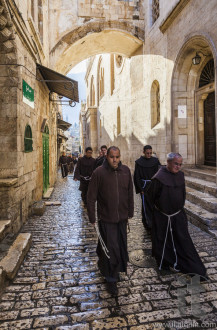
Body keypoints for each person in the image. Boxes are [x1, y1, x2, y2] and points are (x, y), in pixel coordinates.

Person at [147, 152, 207, 279]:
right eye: (176, 164)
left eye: (180, 164)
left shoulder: (180, 175)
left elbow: (183, 194)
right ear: (168, 162)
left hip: (178, 216)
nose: (178, 167)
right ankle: (165, 262)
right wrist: (159, 212)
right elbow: (150, 198)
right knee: (163, 241)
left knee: (183, 241)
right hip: (162, 217)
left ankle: (190, 266)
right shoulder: (159, 178)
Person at [87, 146, 134, 295]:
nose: (115, 160)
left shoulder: (125, 171)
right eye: (112, 157)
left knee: (119, 247)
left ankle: (112, 268)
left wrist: (130, 212)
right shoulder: (99, 173)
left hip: (122, 218)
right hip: (106, 218)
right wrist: (92, 217)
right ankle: (111, 279)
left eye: (117, 157)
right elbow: (91, 197)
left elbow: (130, 193)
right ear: (107, 157)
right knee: (111, 249)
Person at [134, 145, 161, 230]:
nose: (149, 155)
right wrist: (140, 189)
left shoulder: (155, 161)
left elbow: (160, 173)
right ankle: (147, 223)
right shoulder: (139, 162)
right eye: (147, 153)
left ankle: (155, 222)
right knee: (146, 206)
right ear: (144, 152)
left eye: (150, 153)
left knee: (155, 205)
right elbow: (136, 176)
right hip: (145, 187)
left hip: (154, 186)